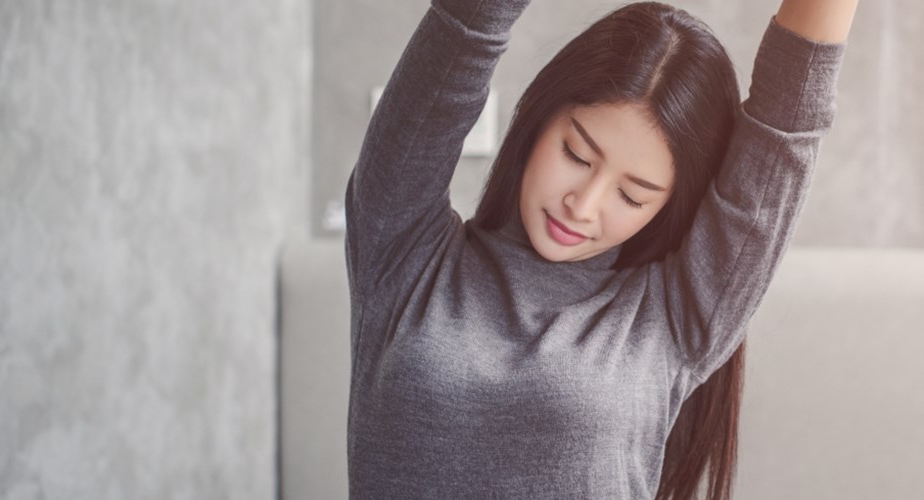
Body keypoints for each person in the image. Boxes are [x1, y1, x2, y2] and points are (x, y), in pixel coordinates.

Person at [342, 0, 856, 497]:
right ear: (541, 118)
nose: (583, 205)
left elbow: (789, 117)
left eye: (632, 195)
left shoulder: (673, 317)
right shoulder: (403, 248)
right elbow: (466, 24)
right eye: (576, 154)